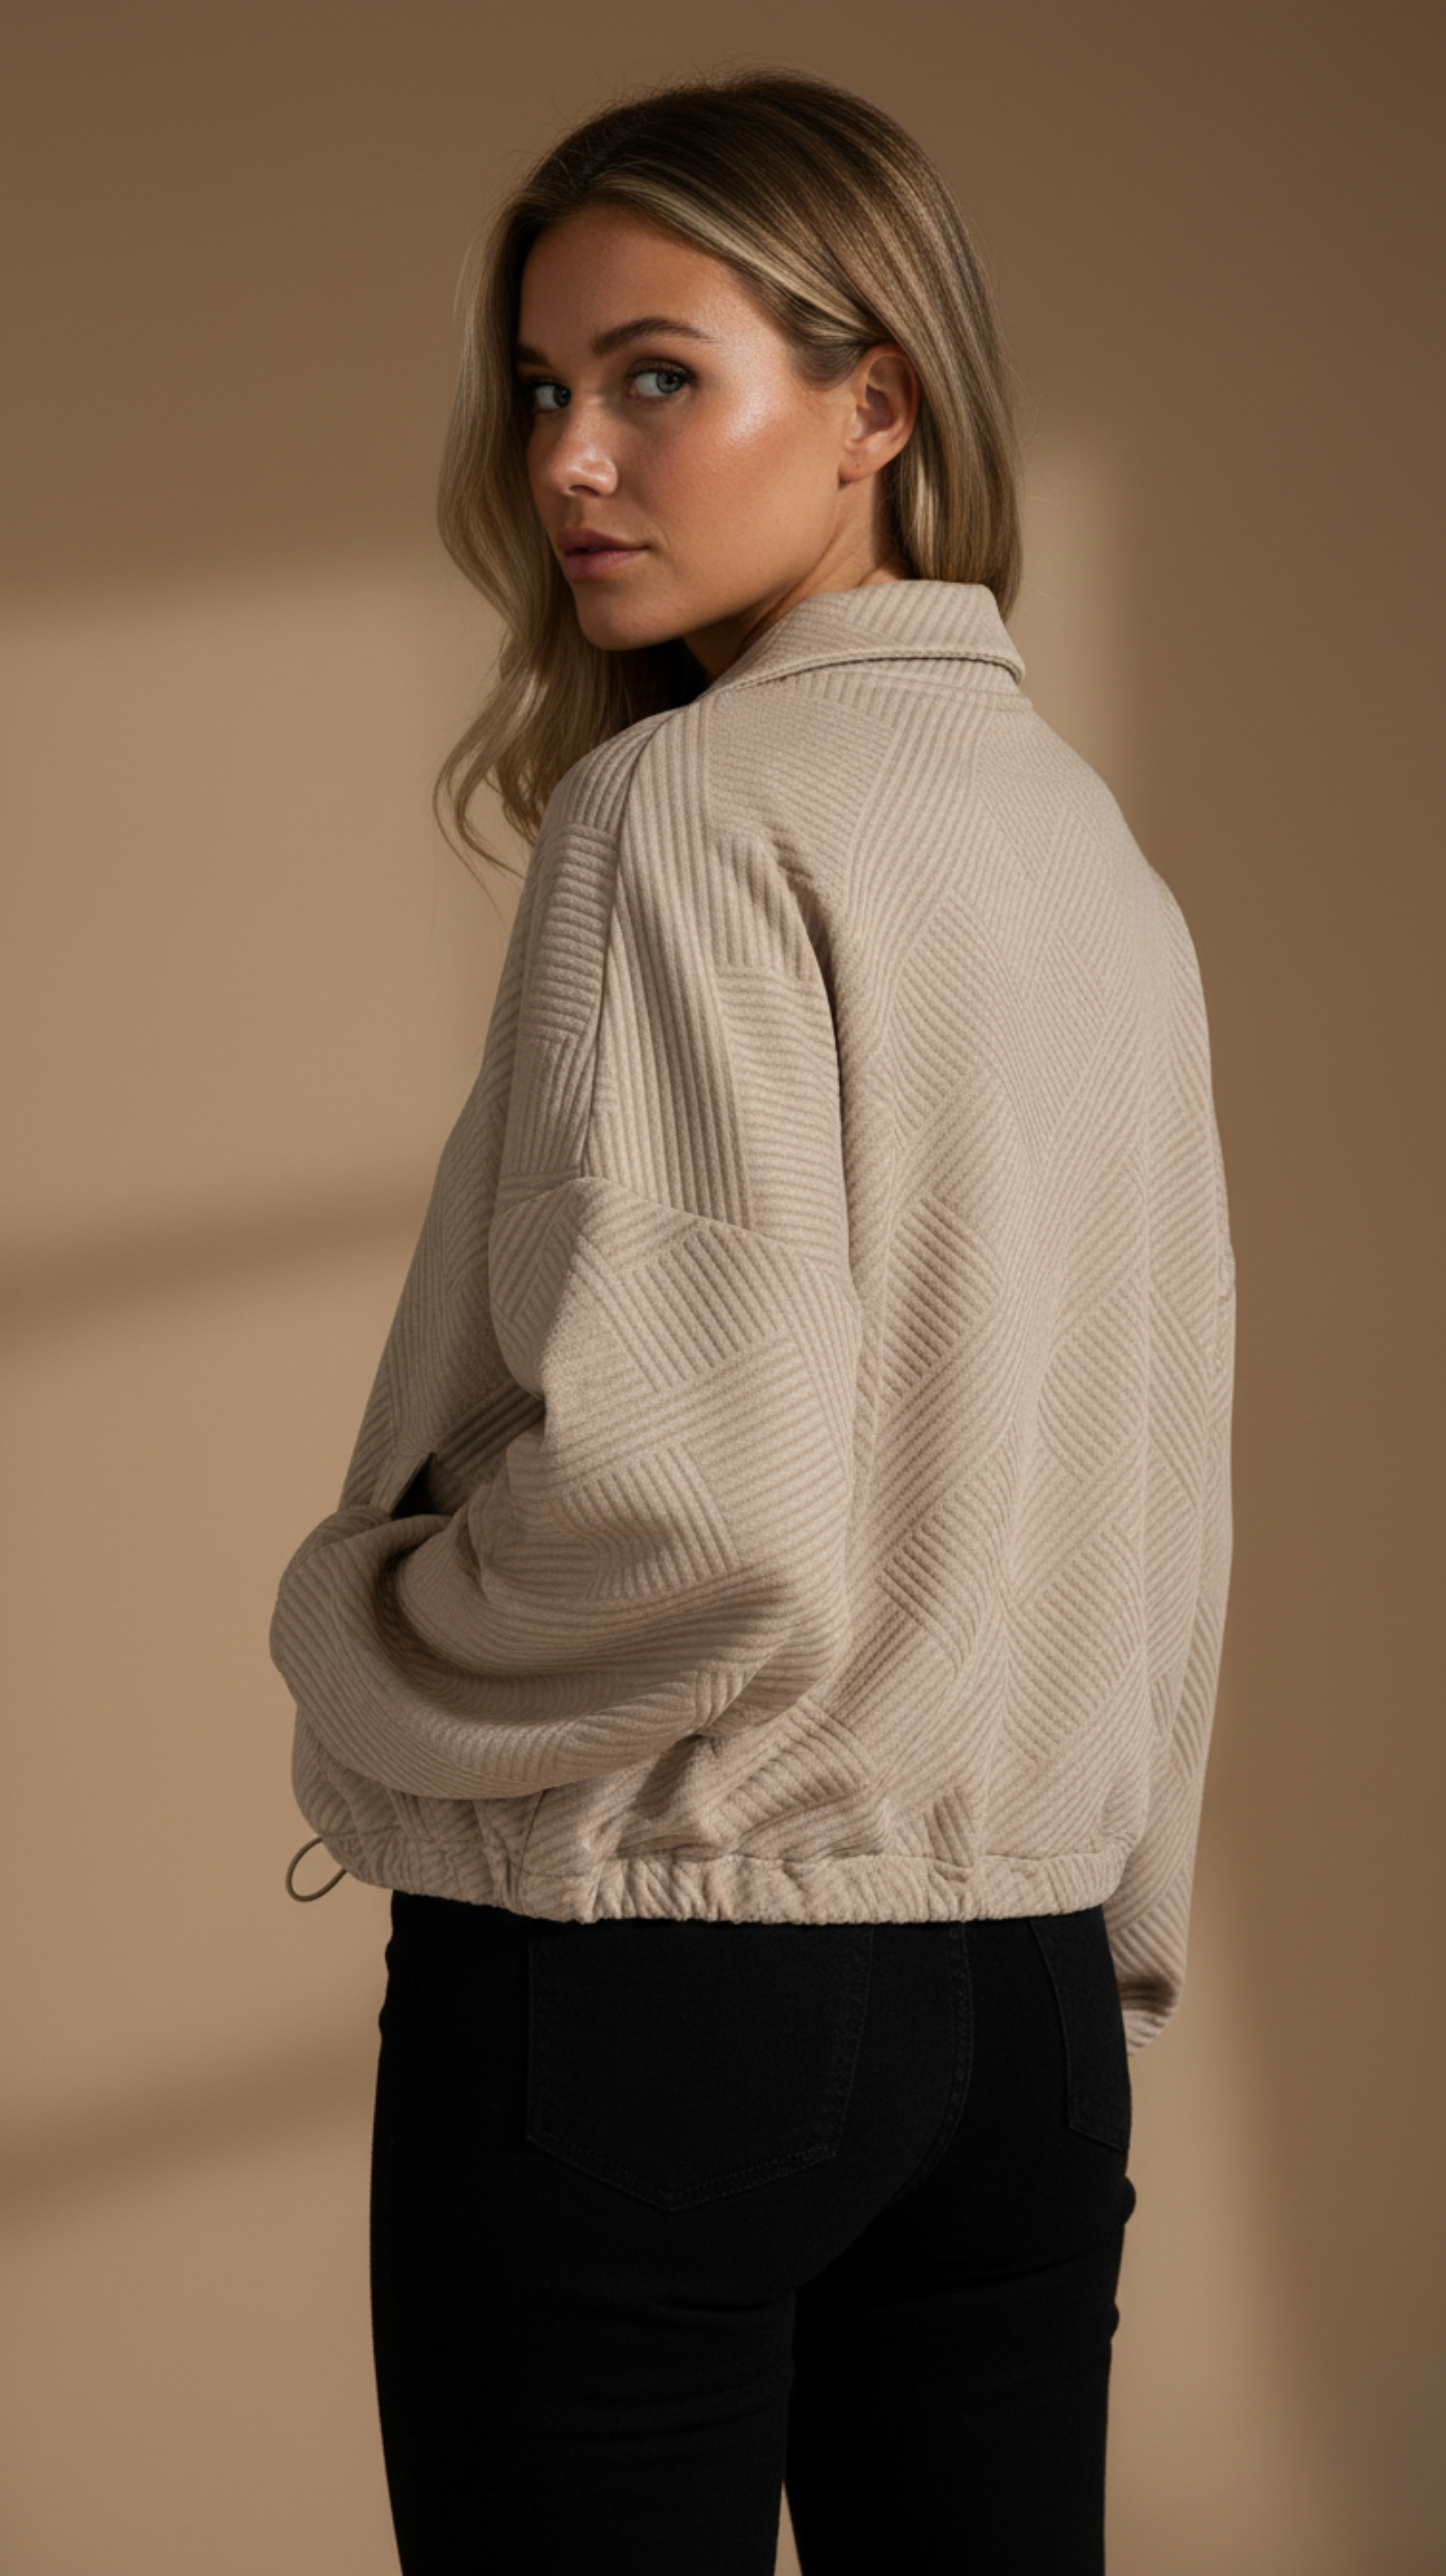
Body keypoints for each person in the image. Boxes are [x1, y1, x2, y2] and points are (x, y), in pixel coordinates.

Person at [270, 66, 1235, 2576]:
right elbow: (1164, 1479)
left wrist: (358, 1622)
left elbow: (692, 1518)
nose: (572, 459)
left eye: (655, 377)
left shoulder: (689, 808)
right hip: (1027, 1999)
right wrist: (1106, 1926)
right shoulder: (1088, 856)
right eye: (541, 388)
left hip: (669, 1990)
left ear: (878, 400)